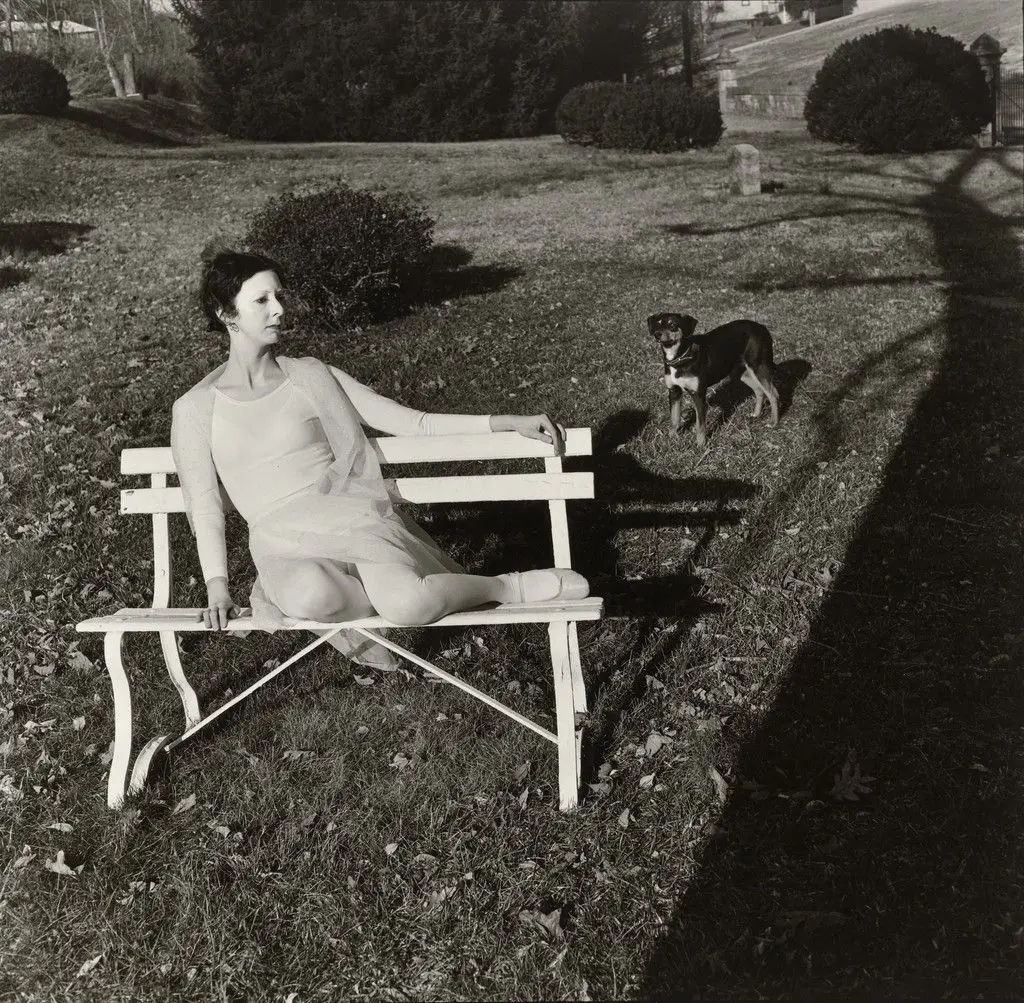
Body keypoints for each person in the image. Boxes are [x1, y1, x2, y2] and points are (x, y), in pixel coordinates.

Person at [170, 248, 589, 669]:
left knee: (409, 604)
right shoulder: (195, 409)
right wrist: (217, 586)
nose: (278, 310)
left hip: (353, 521)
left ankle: (505, 587)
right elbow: (204, 505)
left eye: (279, 296)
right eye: (261, 300)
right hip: (282, 545)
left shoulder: (312, 376)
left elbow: (413, 423)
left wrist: (504, 421)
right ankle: (374, 611)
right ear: (227, 313)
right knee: (314, 595)